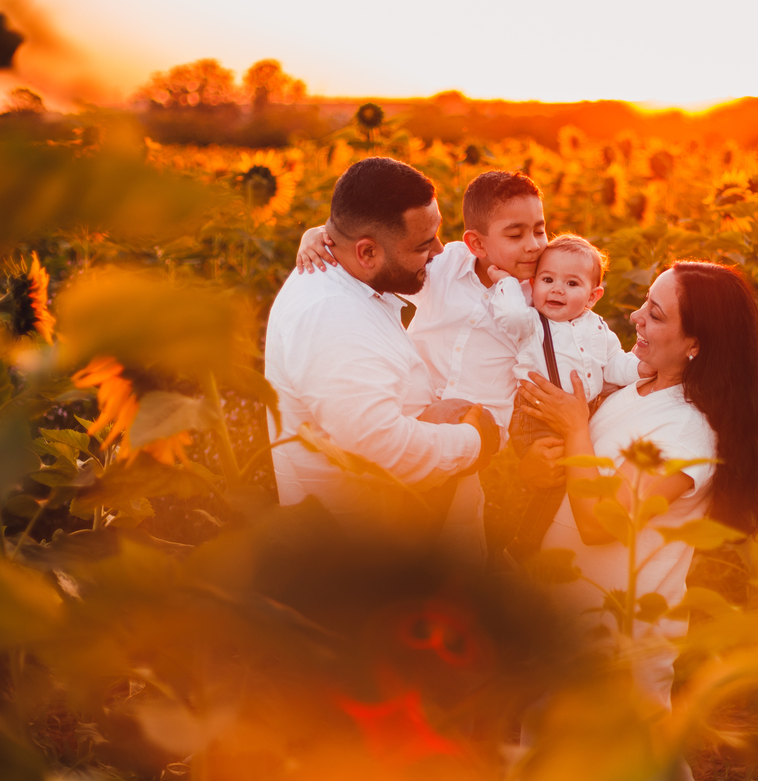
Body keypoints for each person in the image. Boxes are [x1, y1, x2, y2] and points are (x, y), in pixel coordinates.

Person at [518, 261, 758, 712]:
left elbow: (602, 525)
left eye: (656, 314)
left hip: (616, 644)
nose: (636, 316)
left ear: (695, 344)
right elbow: (585, 475)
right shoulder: (637, 389)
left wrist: (576, 427)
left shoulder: (685, 432)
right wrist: (537, 469)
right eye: (645, 303)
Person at [294, 170, 553, 555]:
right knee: (392, 517)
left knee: (455, 535)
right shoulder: (445, 267)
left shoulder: (542, 294)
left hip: (475, 430)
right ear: (476, 243)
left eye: (540, 230)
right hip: (412, 414)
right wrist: (316, 235)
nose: (533, 245)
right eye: (516, 235)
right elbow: (381, 252)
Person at [265, 157, 498, 546]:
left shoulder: (347, 271)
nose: (439, 251)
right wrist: (473, 441)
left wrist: (317, 232)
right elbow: (379, 448)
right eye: (423, 244)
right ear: (368, 254)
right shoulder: (332, 317)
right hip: (375, 555)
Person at [487, 234, 651, 558]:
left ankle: (556, 540)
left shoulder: (598, 327)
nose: (557, 290)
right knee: (557, 479)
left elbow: (614, 364)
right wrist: (506, 283)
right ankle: (523, 545)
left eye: (572, 283)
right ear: (533, 284)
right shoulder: (532, 323)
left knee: (575, 475)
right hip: (538, 414)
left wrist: (643, 368)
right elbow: (510, 315)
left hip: (581, 412)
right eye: (547, 280)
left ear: (593, 296)